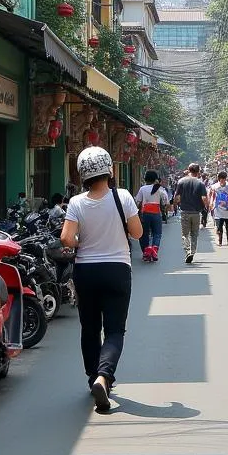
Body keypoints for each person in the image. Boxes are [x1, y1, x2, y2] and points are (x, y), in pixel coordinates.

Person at [61, 146, 142, 413]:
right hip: (117, 269)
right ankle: (104, 376)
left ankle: (92, 377)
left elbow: (66, 239)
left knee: (90, 327)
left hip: (87, 271)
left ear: (82, 173)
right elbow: (137, 233)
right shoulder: (123, 197)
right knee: (115, 329)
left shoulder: (76, 202)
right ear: (110, 170)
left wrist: (79, 240)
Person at [173, 163, 209, 264]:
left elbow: (177, 197)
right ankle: (192, 252)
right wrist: (207, 207)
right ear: (198, 172)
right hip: (196, 212)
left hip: (184, 212)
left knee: (185, 234)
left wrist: (175, 206)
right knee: (194, 234)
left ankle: (188, 251)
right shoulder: (200, 183)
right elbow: (204, 198)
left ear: (188, 170)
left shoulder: (181, 181)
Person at [135, 170, 169, 262]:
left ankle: (146, 252)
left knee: (144, 234)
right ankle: (154, 249)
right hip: (156, 213)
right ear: (155, 179)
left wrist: (138, 213)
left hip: (145, 214)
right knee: (157, 234)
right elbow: (166, 201)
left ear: (145, 178)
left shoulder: (142, 189)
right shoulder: (160, 189)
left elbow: (137, 201)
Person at [210, 171, 228, 247]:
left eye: (223, 179)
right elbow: (212, 196)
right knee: (219, 226)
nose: (222, 180)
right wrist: (211, 203)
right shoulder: (214, 186)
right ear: (218, 179)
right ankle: (220, 241)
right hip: (218, 209)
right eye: (220, 179)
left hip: (227, 210)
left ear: (226, 179)